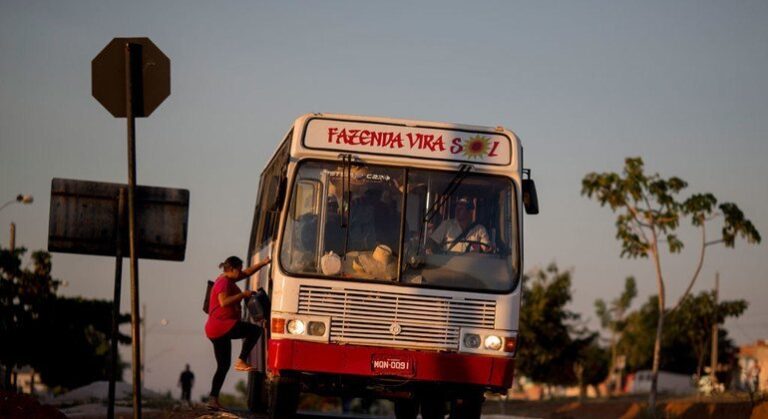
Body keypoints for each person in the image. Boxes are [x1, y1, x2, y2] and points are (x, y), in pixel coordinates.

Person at [205, 255, 271, 410]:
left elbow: (247, 273)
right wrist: (243, 295)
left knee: (223, 366)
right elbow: (224, 302)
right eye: (239, 269)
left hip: (217, 329)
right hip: (222, 326)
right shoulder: (223, 282)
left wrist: (263, 263)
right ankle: (241, 360)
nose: (241, 272)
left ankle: (212, 399)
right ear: (232, 269)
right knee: (255, 331)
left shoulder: (230, 279)